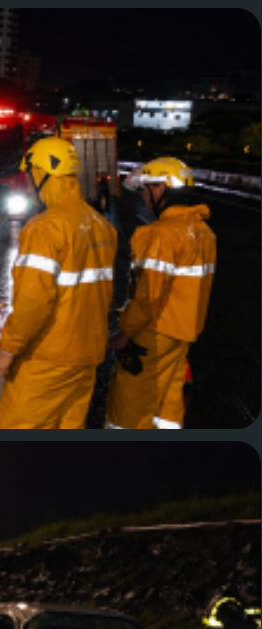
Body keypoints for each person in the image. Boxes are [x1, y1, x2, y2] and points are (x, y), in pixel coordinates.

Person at [0, 137, 117, 429]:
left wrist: (7, 349)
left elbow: (34, 301)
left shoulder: (45, 228)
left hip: (47, 358)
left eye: (30, 175)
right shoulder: (102, 225)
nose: (27, 183)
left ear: (41, 174)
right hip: (87, 357)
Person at [105, 157, 216, 429]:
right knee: (167, 403)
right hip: (181, 333)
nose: (144, 196)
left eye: (147, 188)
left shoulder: (159, 235)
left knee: (128, 406)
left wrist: (125, 333)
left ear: (160, 189)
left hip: (151, 336)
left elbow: (148, 294)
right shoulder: (203, 232)